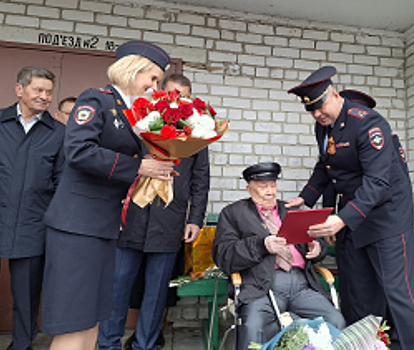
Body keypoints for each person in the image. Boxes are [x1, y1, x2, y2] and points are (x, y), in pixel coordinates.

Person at [41, 40, 175, 350]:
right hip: (77, 227)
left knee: (94, 318)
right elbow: (79, 151)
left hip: (102, 227)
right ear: (132, 69)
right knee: (74, 320)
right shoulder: (96, 100)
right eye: (152, 78)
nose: (155, 87)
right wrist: (139, 166)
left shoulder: (131, 113)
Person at [286, 66, 414, 350]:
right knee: (359, 293)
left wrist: (341, 219)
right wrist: (306, 197)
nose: (316, 114)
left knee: (399, 293)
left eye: (319, 106)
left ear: (334, 94)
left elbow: (377, 181)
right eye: (310, 110)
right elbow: (326, 166)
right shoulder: (324, 126)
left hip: (387, 218)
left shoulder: (369, 124)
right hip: (354, 217)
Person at [98, 73, 210, 350]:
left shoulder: (197, 134)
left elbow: (201, 180)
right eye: (172, 93)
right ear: (160, 93)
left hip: (170, 220)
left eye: (183, 95)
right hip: (132, 216)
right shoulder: (138, 123)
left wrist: (195, 219)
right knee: (118, 286)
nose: (177, 99)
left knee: (156, 291)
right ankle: (108, 344)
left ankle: (145, 345)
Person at [0, 66, 65, 350]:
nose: (44, 97)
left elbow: (62, 182)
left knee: (26, 299)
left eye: (49, 92)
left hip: (32, 226)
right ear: (19, 89)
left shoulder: (59, 133)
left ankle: (22, 346)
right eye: (38, 90)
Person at [212, 162, 345, 350]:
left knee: (334, 320)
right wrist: (262, 245)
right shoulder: (234, 213)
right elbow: (223, 256)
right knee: (253, 327)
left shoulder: (289, 210)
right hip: (261, 286)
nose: (269, 192)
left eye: (273, 185)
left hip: (301, 285)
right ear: (249, 189)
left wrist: (316, 250)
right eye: (262, 187)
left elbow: (316, 246)